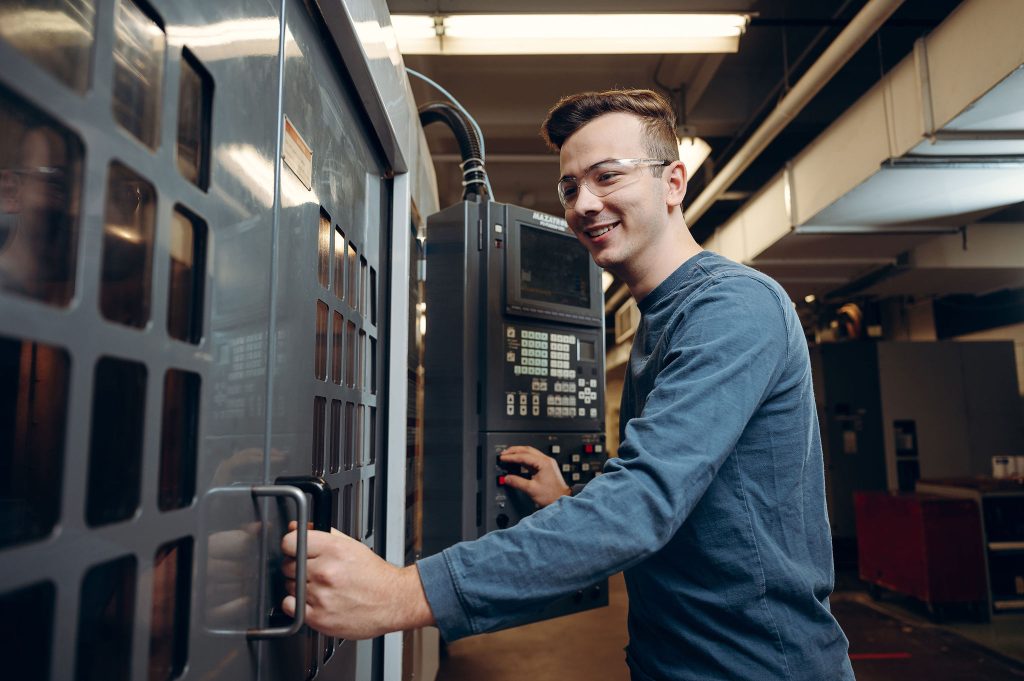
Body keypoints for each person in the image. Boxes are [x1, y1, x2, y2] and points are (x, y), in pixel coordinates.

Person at [281, 89, 855, 680]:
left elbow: (642, 504)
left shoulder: (732, 308)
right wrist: (572, 503)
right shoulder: (661, 320)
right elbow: (691, 501)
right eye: (570, 187)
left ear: (673, 183)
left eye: (608, 176)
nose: (584, 204)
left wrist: (403, 593)